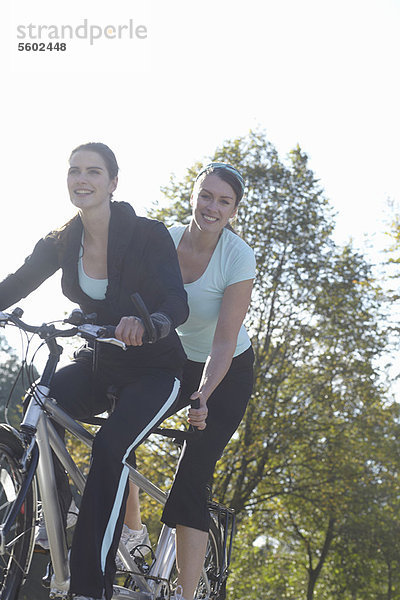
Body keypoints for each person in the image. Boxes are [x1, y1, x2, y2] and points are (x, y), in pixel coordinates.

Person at [0, 142, 189, 600]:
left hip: (156, 370)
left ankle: (89, 588)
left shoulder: (147, 234)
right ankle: (59, 511)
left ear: (113, 182)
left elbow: (175, 302)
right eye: (74, 171)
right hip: (101, 362)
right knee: (43, 402)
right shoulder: (62, 240)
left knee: (109, 449)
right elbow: (19, 282)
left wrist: (148, 323)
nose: (81, 179)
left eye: (93, 171)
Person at [124, 162, 256, 600]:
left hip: (226, 370)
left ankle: (184, 595)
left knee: (190, 479)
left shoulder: (237, 256)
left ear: (235, 210)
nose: (211, 207)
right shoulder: (165, 239)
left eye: (224, 201)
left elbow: (224, 340)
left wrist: (204, 392)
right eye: (206, 196)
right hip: (175, 360)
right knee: (118, 432)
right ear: (193, 194)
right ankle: (132, 532)